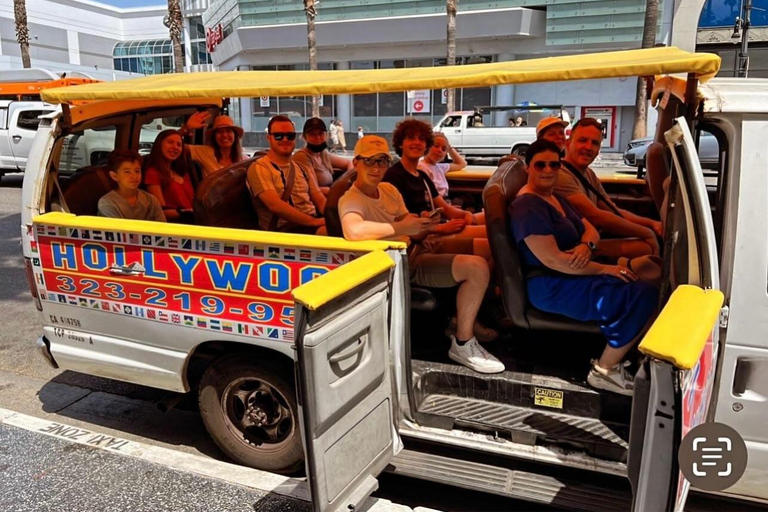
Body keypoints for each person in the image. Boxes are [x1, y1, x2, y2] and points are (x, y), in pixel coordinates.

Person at [340, 135, 503, 373]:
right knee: (476, 267)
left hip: (414, 250)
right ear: (356, 163)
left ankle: (466, 320)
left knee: (485, 252)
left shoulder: (387, 189)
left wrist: (422, 225)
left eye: (382, 162)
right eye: (369, 161)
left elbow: (408, 222)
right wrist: (404, 228)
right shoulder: (351, 199)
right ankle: (463, 342)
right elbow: (353, 230)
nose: (376, 168)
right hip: (393, 267)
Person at [509, 139, 658, 395]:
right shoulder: (527, 206)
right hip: (551, 283)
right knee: (646, 294)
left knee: (652, 268)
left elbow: (589, 227)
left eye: (554, 165)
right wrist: (603, 268)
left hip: (575, 269)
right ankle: (606, 369)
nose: (547, 170)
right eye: (540, 165)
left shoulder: (553, 197)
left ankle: (630, 350)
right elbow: (553, 259)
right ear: (527, 168)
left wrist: (586, 246)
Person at [555, 117, 662, 259]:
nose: (588, 147)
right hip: (574, 248)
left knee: (649, 242)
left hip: (593, 239)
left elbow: (613, 210)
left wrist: (652, 224)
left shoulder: (588, 174)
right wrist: (646, 232)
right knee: (645, 247)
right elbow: (597, 217)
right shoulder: (560, 175)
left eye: (594, 143)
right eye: (582, 140)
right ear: (568, 144)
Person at [384, 119, 486, 246]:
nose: (416, 142)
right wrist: (442, 228)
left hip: (435, 229)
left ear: (426, 146)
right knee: (491, 235)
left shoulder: (422, 176)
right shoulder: (392, 177)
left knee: (494, 227)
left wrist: (466, 214)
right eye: (410, 138)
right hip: (420, 240)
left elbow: (445, 208)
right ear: (400, 144)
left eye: (421, 139)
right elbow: (401, 221)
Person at [246, 115, 326, 233]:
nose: (285, 140)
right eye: (278, 136)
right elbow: (275, 205)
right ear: (269, 138)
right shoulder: (259, 168)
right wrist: (313, 222)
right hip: (284, 230)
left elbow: (319, 198)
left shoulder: (301, 167)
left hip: (311, 221)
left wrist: (335, 216)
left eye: (290, 136)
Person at [98, 149, 165, 222]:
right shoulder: (108, 203)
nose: (134, 176)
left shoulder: (151, 200)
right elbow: (119, 231)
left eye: (137, 171)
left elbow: (162, 227)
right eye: (127, 172)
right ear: (114, 176)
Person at [143, 130, 196, 222]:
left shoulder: (183, 171)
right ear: (159, 145)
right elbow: (160, 211)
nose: (175, 147)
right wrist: (185, 212)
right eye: (170, 142)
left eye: (179, 145)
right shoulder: (153, 172)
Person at [292, 117, 354, 195]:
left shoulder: (323, 154)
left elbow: (349, 163)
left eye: (321, 133)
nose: (318, 138)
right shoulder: (302, 156)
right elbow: (312, 190)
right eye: (312, 134)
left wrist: (349, 182)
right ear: (305, 137)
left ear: (326, 135)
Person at [179, 112, 246, 178]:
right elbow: (173, 145)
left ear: (234, 135)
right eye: (220, 132)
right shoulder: (205, 152)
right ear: (214, 136)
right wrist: (187, 128)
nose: (224, 135)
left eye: (228, 131)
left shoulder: (243, 159)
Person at [417, 132, 467, 199]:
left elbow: (462, 164)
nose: (439, 150)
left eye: (443, 149)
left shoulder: (440, 167)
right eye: (436, 146)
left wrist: (450, 148)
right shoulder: (421, 167)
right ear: (427, 146)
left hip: (444, 201)